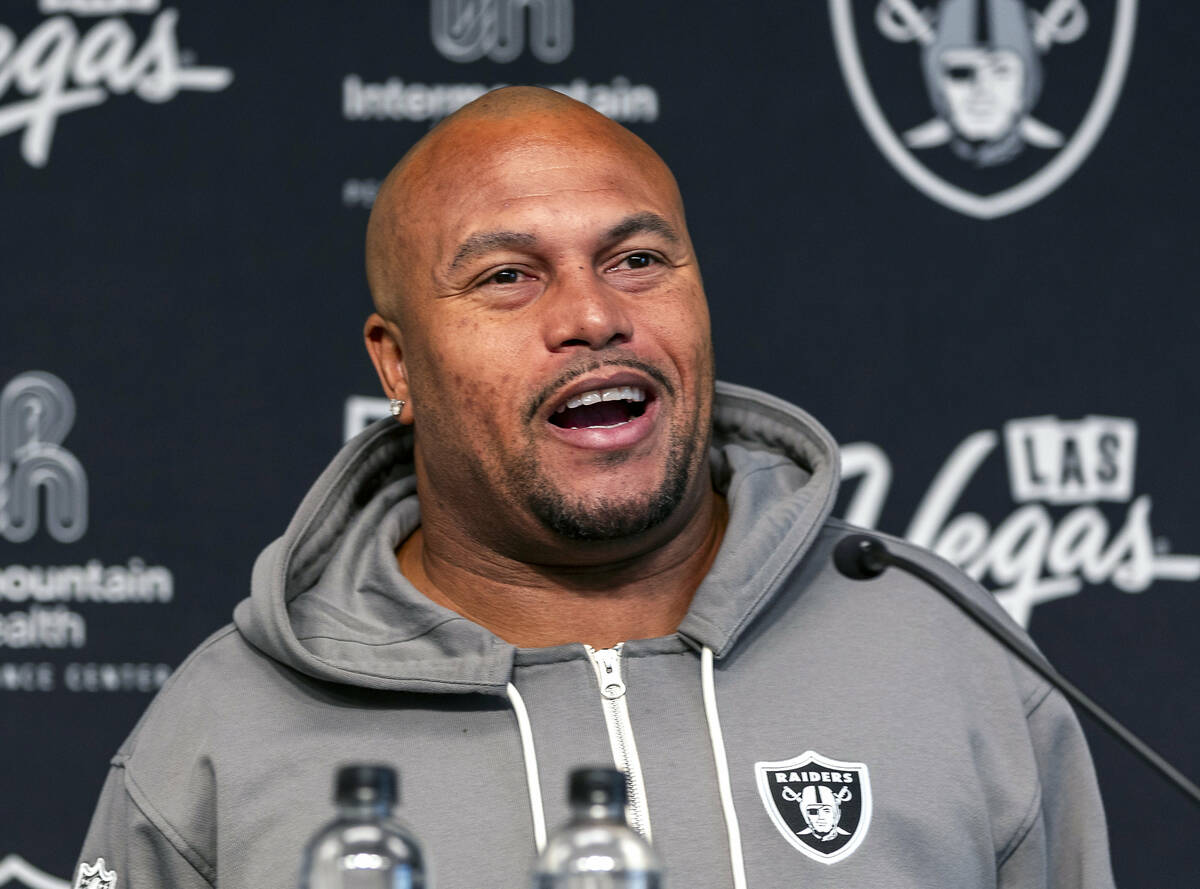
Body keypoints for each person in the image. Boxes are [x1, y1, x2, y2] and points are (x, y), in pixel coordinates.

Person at [75, 86, 1115, 888]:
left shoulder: (946, 654)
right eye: (507, 277)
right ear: (397, 366)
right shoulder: (221, 735)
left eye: (637, 259)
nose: (592, 315)